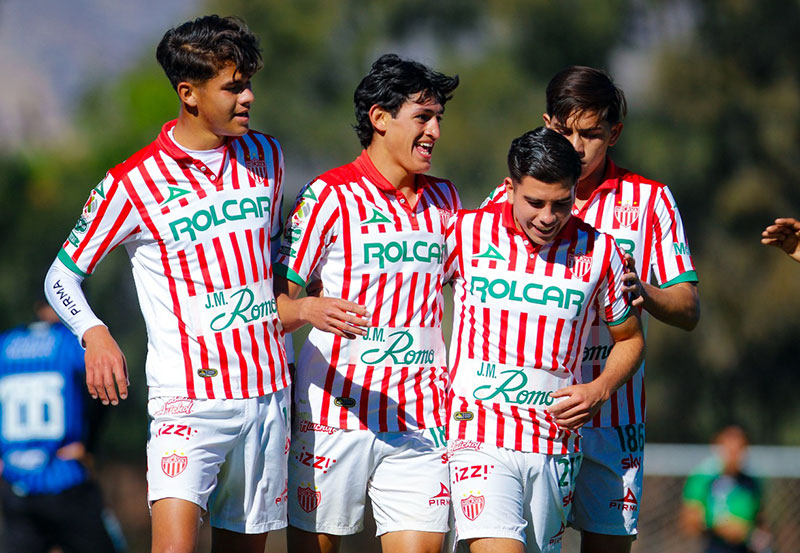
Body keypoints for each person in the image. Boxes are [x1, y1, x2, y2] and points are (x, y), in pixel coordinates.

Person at [43, 15, 293, 553]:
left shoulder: (267, 156)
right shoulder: (132, 182)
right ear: (189, 93)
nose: (248, 97)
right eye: (233, 87)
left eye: (249, 83)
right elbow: (61, 277)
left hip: (268, 395)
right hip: (187, 400)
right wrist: (94, 333)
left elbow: (276, 257)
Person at [482, 66, 700, 552]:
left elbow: (688, 308)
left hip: (613, 419)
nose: (577, 147)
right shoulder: (511, 196)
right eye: (564, 132)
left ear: (614, 133)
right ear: (546, 125)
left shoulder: (649, 200)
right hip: (527, 419)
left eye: (592, 134)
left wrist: (642, 292)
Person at [274, 53, 460, 553]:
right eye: (423, 117)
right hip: (333, 415)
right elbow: (274, 307)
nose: (435, 131)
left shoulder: (447, 199)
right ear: (380, 118)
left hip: (421, 419)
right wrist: (308, 310)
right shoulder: (327, 195)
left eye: (438, 118)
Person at [445, 127, 645, 553]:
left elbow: (630, 339)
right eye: (535, 203)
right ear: (510, 188)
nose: (548, 217)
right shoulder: (464, 232)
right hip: (478, 434)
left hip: (554, 444)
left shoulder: (601, 251)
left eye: (561, 203)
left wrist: (599, 389)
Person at [0, 302, 124, 552]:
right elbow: (105, 386)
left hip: (14, 481)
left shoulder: (6, 344)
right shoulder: (70, 343)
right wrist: (89, 445)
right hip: (64, 474)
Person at [680, 426, 766, 553]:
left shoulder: (751, 482)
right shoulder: (704, 477)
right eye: (730, 450)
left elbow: (759, 519)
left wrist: (756, 536)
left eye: (738, 450)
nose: (733, 456)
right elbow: (690, 520)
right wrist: (721, 526)